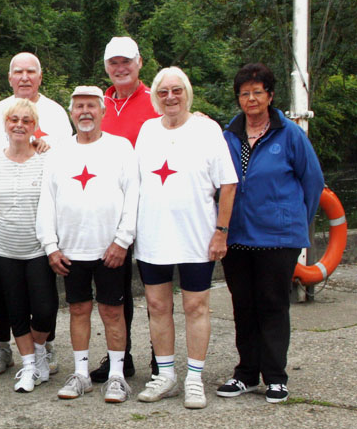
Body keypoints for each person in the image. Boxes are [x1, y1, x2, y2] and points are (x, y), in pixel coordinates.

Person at [218, 63, 324, 404]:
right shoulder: (228, 135)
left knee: (273, 304)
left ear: (270, 95)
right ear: (238, 98)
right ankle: (246, 373)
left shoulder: (290, 133)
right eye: (245, 93)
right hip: (237, 236)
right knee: (243, 305)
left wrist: (293, 221)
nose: (251, 98)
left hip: (278, 238)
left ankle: (276, 376)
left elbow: (313, 182)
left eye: (258, 92)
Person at [134, 67, 238, 409]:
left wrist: (221, 232)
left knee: (196, 306)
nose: (170, 97)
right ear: (155, 97)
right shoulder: (147, 131)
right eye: (163, 92)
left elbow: (228, 183)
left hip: (197, 237)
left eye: (176, 90)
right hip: (153, 236)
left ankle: (194, 377)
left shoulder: (208, 130)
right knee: (157, 305)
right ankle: (166, 375)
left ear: (187, 93)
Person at [36, 86, 139, 403]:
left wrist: (122, 240)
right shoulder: (58, 153)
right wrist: (50, 246)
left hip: (110, 249)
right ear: (71, 113)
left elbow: (133, 197)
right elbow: (47, 202)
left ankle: (118, 377)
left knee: (112, 311)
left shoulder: (121, 149)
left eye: (91, 106)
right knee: (78, 309)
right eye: (79, 106)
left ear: (103, 111)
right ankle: (81, 374)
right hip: (70, 250)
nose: (85, 112)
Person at [0, 52, 72, 375]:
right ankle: (4, 346)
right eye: (17, 72)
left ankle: (45, 346)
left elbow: (64, 158)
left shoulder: (57, 114)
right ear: (9, 77)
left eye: (30, 72)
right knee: (5, 293)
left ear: (40, 77)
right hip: (4, 218)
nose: (24, 77)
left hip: (41, 217)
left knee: (43, 294)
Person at [88, 36, 160, 383]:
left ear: (140, 63)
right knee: (117, 291)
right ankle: (121, 356)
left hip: (151, 206)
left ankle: (162, 355)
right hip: (109, 212)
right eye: (114, 63)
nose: (120, 68)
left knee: (156, 287)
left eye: (126, 62)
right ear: (106, 67)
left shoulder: (155, 99)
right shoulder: (97, 104)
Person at [0, 98, 58, 393]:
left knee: (45, 309)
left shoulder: (47, 159)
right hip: (4, 249)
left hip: (38, 248)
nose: (19, 125)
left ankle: (40, 351)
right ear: (5, 124)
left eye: (26, 121)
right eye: (13, 119)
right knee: (16, 310)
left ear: (35, 127)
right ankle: (29, 366)